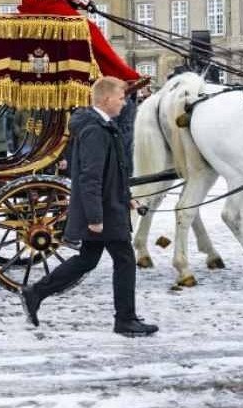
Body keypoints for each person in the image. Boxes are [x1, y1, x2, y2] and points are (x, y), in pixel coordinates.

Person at [20, 77, 158, 337]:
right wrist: (95, 217)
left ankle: (35, 293)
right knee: (125, 260)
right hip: (104, 210)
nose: (124, 103)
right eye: (120, 98)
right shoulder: (95, 130)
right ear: (106, 100)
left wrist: (126, 195)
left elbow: (113, 170)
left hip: (109, 204)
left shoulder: (101, 125)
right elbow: (89, 176)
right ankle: (125, 320)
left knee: (87, 259)